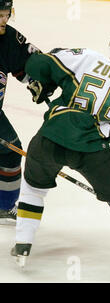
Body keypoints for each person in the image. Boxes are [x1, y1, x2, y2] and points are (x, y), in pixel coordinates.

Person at [10, 30, 110, 282]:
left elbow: (38, 63)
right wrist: (88, 136)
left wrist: (43, 83)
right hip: (90, 151)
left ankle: (22, 246)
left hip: (48, 138)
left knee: (33, 187)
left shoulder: (87, 57)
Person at [0, 0, 40, 225]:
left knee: (11, 151)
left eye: (7, 15)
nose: (4, 21)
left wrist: (44, 78)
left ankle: (4, 206)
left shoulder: (8, 39)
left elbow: (31, 63)